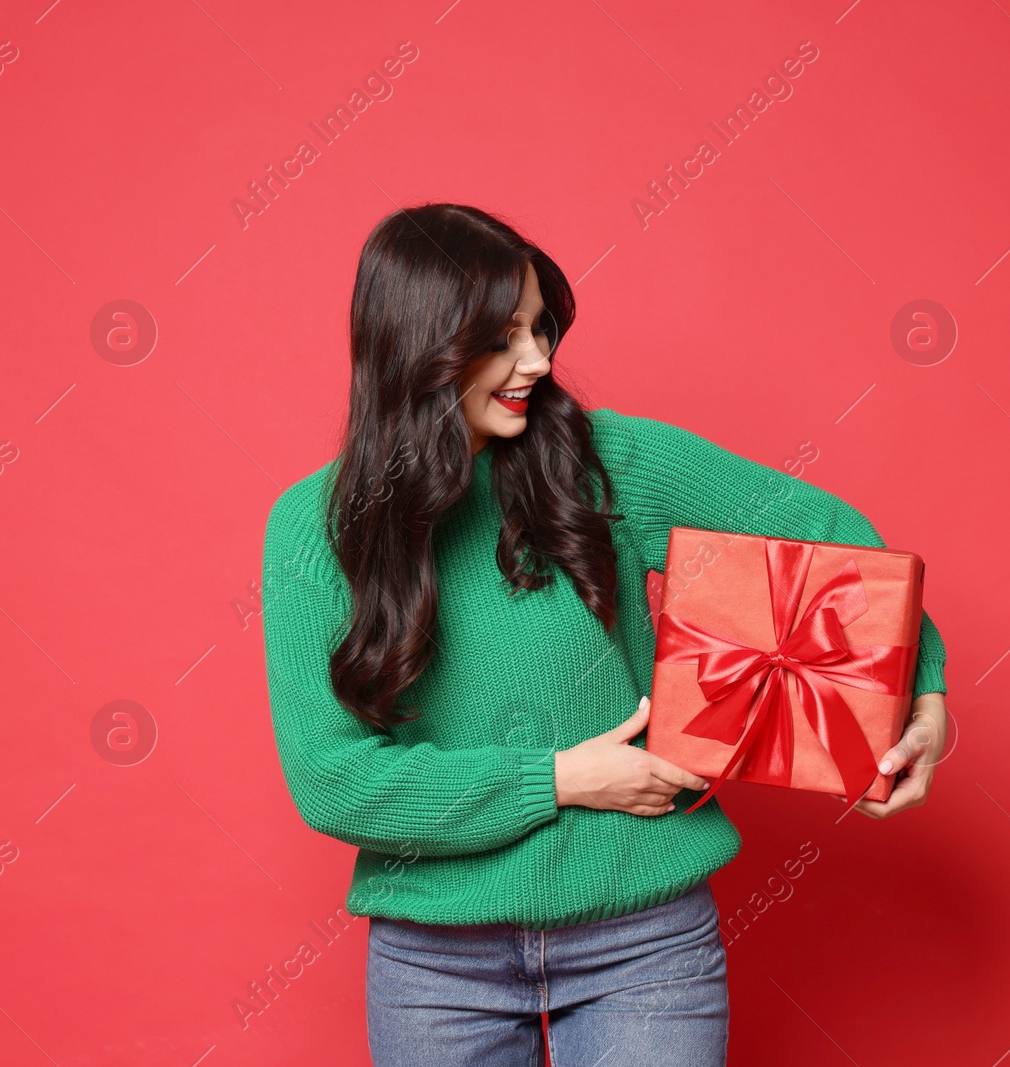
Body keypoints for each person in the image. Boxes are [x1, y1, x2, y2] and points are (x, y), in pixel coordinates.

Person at [260, 203, 950, 1066]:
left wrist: (922, 696)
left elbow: (838, 548)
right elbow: (335, 783)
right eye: (505, 336)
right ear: (421, 346)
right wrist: (562, 778)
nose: (540, 360)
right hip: (434, 963)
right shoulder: (313, 529)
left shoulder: (606, 463)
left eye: (540, 327)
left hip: (644, 942)